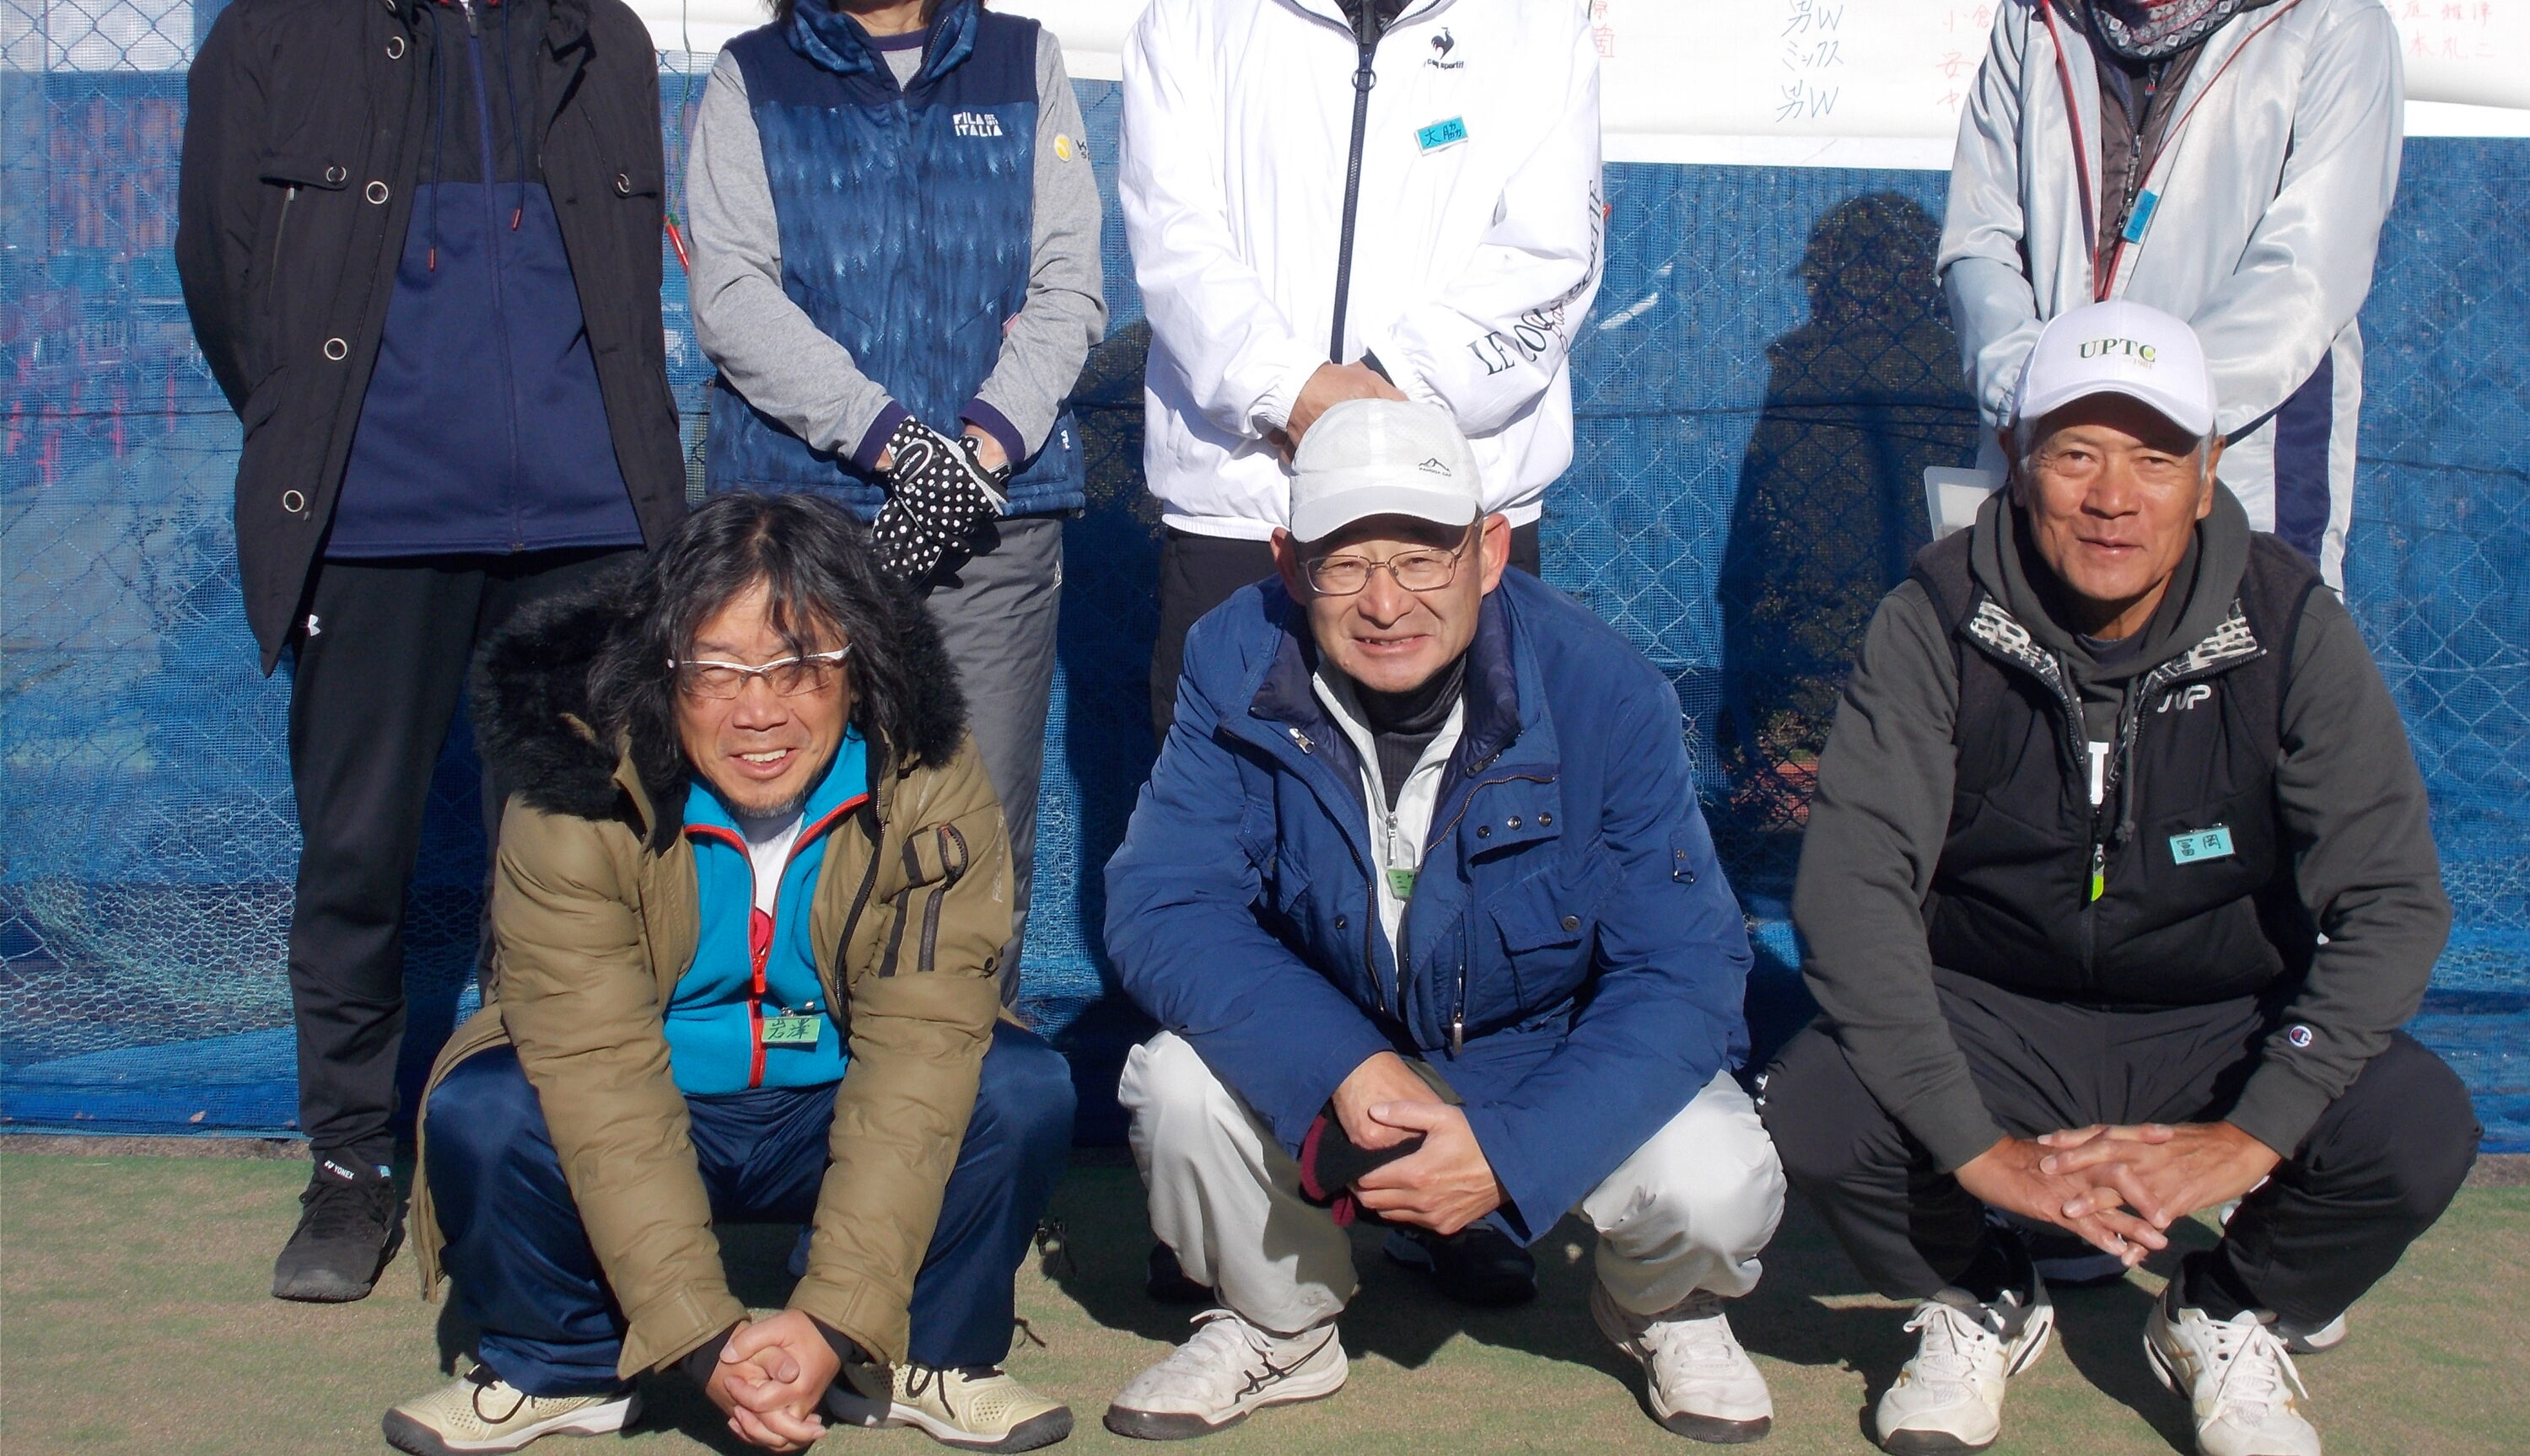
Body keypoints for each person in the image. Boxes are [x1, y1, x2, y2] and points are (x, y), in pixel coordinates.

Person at [1761, 302, 2475, 1456]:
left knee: (2417, 1123)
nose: (2112, 497)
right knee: (1816, 1103)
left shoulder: (2292, 625)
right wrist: (1981, 1153)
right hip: (1991, 1013)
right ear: (2017, 458)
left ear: (2208, 472)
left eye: (2154, 458)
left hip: (2219, 1017)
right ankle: (1981, 1287)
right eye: (2076, 453)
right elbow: (1852, 898)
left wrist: (2251, 1136)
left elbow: (2392, 902)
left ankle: (2224, 1306)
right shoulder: (1933, 617)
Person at [174, 0, 687, 1303]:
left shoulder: (608, 38)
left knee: (596, 859)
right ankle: (350, 1169)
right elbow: (227, 287)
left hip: (589, 531)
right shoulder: (274, 37)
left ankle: (581, 1146)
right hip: (375, 526)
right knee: (359, 860)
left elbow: (626, 293)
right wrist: (338, 442)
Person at [1102, 399, 1784, 1443]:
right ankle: (1280, 1325)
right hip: (1337, 1054)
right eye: (1345, 564)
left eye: (1422, 558)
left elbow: (1687, 973)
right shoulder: (1229, 658)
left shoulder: (1608, 691)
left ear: (1490, 551)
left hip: (1544, 1059)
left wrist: (1512, 1151)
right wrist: (1340, 1062)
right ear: (1288, 565)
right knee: (1175, 1085)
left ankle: (1665, 1308)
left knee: (1718, 1177)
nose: (1386, 602)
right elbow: (1163, 903)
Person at [386, 493, 1075, 1456]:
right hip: (651, 1090)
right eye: (715, 670)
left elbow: (921, 1048)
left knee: (1016, 1083)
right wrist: (704, 1343)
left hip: (836, 1093)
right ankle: (560, 1363)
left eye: (800, 666)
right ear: (661, 667)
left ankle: (923, 1353)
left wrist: (833, 1323)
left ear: (859, 667)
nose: (759, 712)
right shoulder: (572, 787)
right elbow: (596, 1071)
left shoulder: (927, 778)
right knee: (488, 1107)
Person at [1122, 0, 1602, 740]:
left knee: (1465, 825)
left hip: (1456, 516)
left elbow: (1550, 259)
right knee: (1225, 823)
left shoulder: (1537, 21)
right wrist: (1296, 396)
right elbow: (1174, 244)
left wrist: (1388, 405)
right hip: (1245, 508)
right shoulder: (1193, 14)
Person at [685, 0, 1106, 1002]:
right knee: (793, 818)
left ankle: (964, 1090)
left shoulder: (1024, 63)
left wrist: (975, 452)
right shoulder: (751, 76)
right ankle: (794, 1079)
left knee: (971, 825)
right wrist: (893, 443)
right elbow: (734, 296)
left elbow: (1070, 284)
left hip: (991, 523)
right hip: (796, 524)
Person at [1940, 0, 2403, 591]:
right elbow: (1978, 244)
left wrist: (2145, 424)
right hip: (2054, 470)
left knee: (2245, 673)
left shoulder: (2334, 26)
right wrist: (2036, 399)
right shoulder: (2032, 20)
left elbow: (2307, 276)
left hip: (2238, 466)